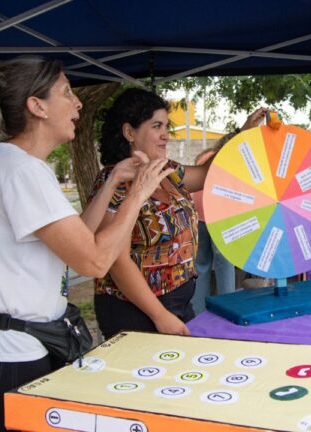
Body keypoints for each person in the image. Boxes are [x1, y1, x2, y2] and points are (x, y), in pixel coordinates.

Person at [0, 58, 172, 431]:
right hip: (13, 352)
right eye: (66, 93)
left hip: (26, 344)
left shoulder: (17, 166)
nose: (78, 103)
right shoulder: (22, 172)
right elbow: (95, 261)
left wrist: (115, 179)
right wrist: (139, 194)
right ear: (37, 107)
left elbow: (76, 240)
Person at [91, 88, 266, 338]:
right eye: (156, 126)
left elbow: (208, 173)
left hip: (178, 304)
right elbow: (117, 261)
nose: (165, 136)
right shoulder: (115, 180)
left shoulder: (167, 171)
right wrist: (160, 315)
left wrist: (241, 135)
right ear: (129, 132)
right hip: (135, 311)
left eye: (166, 127)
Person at [190, 138, 236, 314]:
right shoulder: (226, 160)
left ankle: (198, 311)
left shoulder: (204, 157)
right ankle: (228, 308)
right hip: (220, 217)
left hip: (199, 216)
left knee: (201, 265)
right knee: (225, 264)